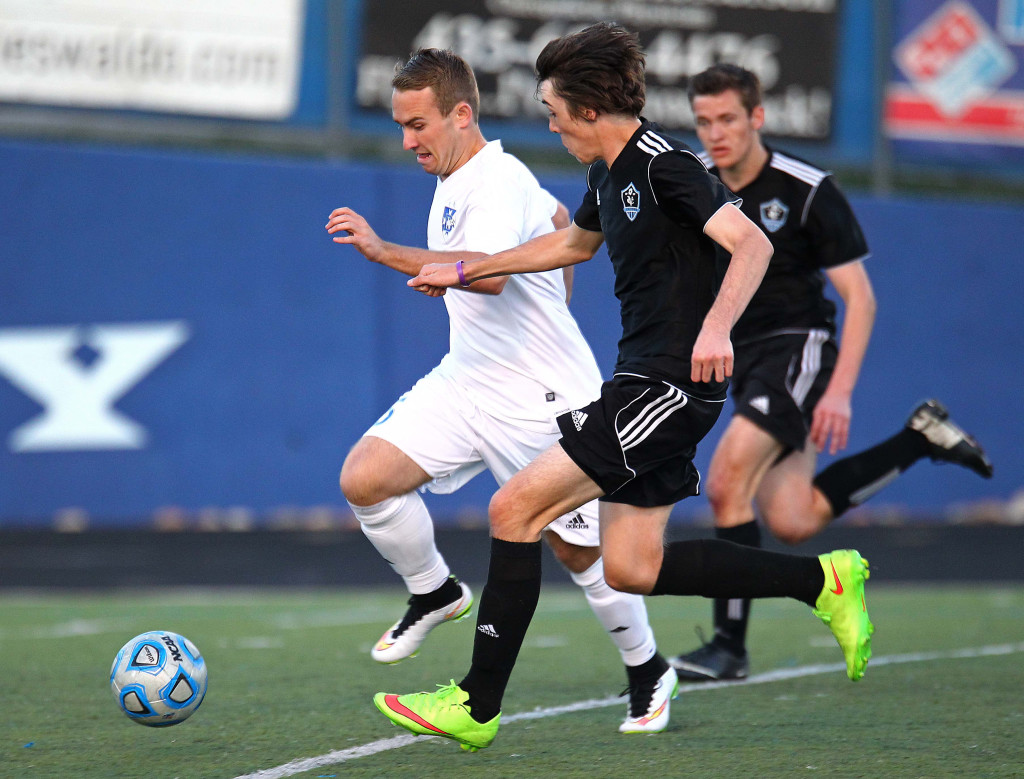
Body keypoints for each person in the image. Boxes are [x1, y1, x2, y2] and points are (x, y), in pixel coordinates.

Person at [373, 23, 874, 753]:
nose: (548, 121)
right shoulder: (605, 175)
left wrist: (717, 329)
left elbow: (752, 244)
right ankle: (823, 581)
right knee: (635, 567)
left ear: (586, 107)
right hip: (642, 380)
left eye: (552, 108)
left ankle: (476, 703)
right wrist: (460, 269)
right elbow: (571, 245)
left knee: (514, 507)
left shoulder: (665, 164)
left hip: (669, 385)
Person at [325, 48, 678, 734]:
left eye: (418, 124)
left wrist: (382, 251)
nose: (408, 141)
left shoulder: (495, 177)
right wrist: (557, 292)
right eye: (401, 126)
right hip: (467, 380)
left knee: (579, 553)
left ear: (462, 113)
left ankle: (648, 668)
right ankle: (435, 590)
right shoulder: (471, 175)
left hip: (542, 398)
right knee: (365, 477)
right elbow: (556, 221)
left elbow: (483, 275)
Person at [668, 64, 994, 683]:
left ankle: (729, 648)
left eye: (728, 119)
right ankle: (918, 438)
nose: (715, 133)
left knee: (727, 481)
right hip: (746, 358)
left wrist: (839, 392)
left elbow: (861, 299)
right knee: (793, 519)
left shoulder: (807, 188)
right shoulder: (700, 186)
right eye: (704, 121)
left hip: (798, 348)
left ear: (757, 117)